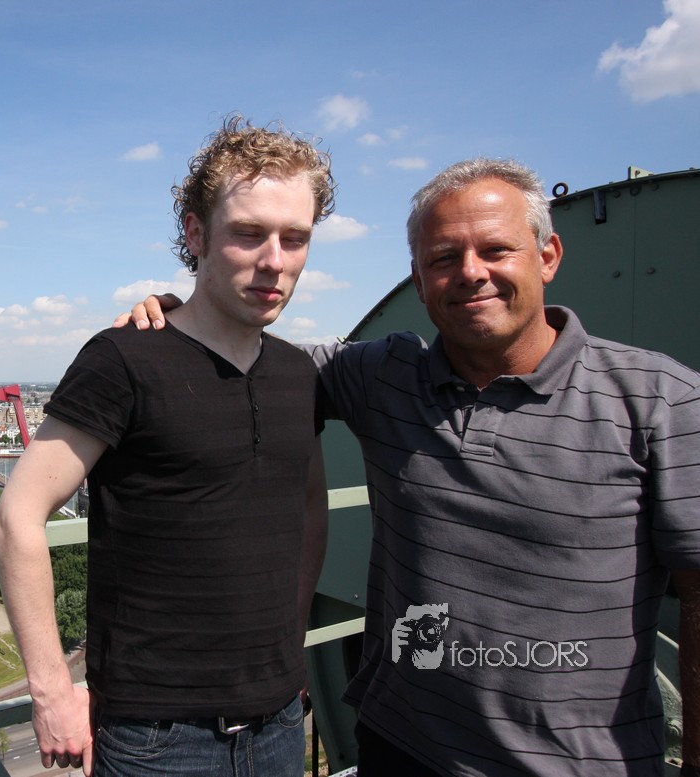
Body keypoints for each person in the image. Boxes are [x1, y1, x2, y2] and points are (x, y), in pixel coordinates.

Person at [127, 158, 700, 776]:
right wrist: (181, 318)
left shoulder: (658, 401)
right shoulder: (384, 376)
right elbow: (250, 359)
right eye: (443, 258)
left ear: (548, 256)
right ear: (419, 281)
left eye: (496, 250)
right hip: (401, 750)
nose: (471, 272)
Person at [0, 116, 336, 776]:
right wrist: (52, 692)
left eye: (295, 238)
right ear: (195, 233)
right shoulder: (123, 360)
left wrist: (289, 646)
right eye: (248, 233)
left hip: (279, 723)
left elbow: (309, 510)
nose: (274, 260)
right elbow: (17, 516)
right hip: (156, 738)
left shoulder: (300, 375)